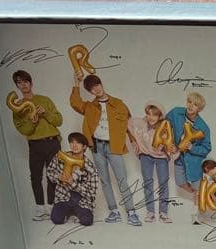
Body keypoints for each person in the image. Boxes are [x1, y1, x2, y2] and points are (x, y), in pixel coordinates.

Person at [69, 72, 141, 225]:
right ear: (90, 92)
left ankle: (131, 212)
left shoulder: (119, 104)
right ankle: (114, 212)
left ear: (101, 84)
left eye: (97, 85)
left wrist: (133, 140)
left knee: (122, 180)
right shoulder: (89, 106)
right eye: (92, 89)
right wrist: (76, 84)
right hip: (97, 147)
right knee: (105, 181)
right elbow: (75, 103)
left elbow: (128, 124)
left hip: (114, 146)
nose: (96, 89)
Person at [8, 69, 63, 221]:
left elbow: (59, 121)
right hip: (35, 145)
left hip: (53, 142)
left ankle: (51, 207)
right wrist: (32, 122)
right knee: (35, 177)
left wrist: (45, 113)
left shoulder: (45, 100)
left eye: (25, 81)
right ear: (17, 86)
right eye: (19, 83)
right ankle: (40, 208)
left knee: (53, 175)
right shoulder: (17, 107)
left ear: (31, 83)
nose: (23, 85)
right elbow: (22, 130)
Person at [127, 103, 177, 223]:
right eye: (149, 114)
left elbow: (170, 144)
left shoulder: (165, 127)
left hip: (161, 157)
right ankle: (150, 212)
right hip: (146, 156)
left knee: (163, 184)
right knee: (148, 183)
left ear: (160, 116)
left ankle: (163, 213)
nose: (151, 117)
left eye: (154, 115)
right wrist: (133, 141)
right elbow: (126, 123)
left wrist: (172, 149)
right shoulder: (140, 123)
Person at [45, 132, 99, 228]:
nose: (74, 145)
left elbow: (91, 193)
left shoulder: (90, 167)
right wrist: (58, 177)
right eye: (72, 142)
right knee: (56, 219)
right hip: (63, 196)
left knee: (87, 221)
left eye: (78, 143)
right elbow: (49, 172)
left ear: (84, 147)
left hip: (81, 200)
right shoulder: (60, 156)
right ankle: (68, 211)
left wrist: (73, 183)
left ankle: (76, 210)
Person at [166, 92, 212, 199]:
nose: (191, 106)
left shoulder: (203, 127)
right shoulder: (176, 112)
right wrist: (170, 143)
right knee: (180, 182)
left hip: (194, 162)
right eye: (189, 102)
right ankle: (200, 192)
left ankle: (200, 200)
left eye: (195, 104)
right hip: (179, 159)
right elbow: (164, 124)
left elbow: (207, 148)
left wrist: (192, 148)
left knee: (197, 189)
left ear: (199, 109)